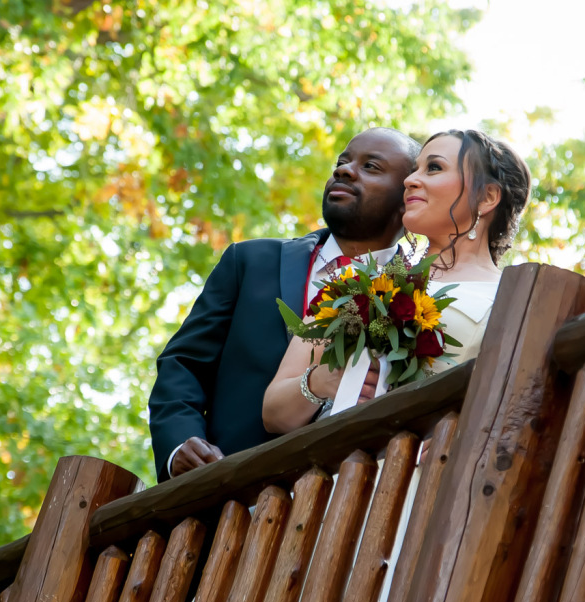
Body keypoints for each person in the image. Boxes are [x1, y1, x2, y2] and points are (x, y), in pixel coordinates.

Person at [148, 127, 421, 482]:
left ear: (408, 199)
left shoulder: (423, 298)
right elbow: (183, 364)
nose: (343, 170)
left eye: (370, 167)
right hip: (224, 497)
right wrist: (179, 443)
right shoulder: (250, 262)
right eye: (342, 162)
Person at [262, 128, 532, 433]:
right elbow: (273, 414)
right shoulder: (357, 281)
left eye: (433, 167)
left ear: (487, 196)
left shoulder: (515, 299)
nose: (410, 180)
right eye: (415, 169)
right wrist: (320, 381)